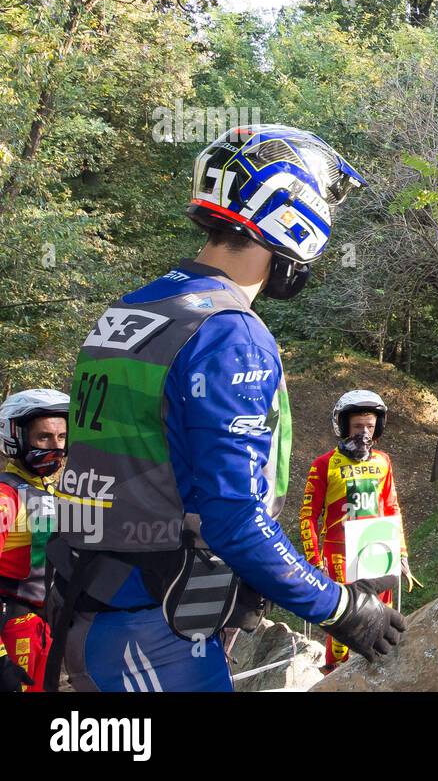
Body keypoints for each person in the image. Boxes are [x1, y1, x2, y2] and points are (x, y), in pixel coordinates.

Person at [47, 125, 403, 692]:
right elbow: (233, 516)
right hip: (156, 630)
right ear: (296, 218)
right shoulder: (229, 333)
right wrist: (341, 608)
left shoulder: (136, 307)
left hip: (95, 602)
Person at [300, 390, 412, 674]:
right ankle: (334, 674)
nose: (364, 433)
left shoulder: (383, 461)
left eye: (370, 427)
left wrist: (401, 552)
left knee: (380, 619)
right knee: (343, 622)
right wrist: (314, 560)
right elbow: (308, 517)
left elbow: (392, 507)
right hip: (339, 553)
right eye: (358, 426)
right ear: (343, 426)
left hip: (378, 548)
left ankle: (378, 674)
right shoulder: (323, 465)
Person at [0, 389, 68, 692]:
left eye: (61, 437)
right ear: (17, 437)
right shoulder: (6, 496)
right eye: (44, 438)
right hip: (13, 628)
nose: (55, 447)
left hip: (46, 628)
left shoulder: (53, 492)